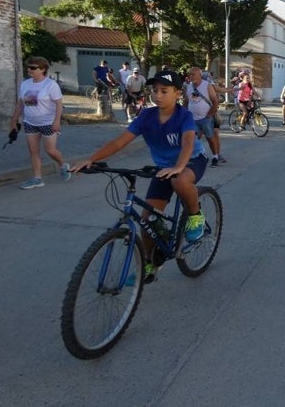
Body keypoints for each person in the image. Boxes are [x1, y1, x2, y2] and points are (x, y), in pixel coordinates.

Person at [71, 70, 208, 283]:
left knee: (180, 180)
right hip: (163, 168)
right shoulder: (146, 116)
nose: (158, 95)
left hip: (191, 161)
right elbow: (119, 141)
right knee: (146, 219)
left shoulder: (184, 116)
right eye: (155, 90)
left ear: (178, 93)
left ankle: (195, 216)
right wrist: (91, 159)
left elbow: (188, 143)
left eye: (164, 91)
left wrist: (180, 166)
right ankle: (149, 262)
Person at [9, 56, 72, 189]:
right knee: (33, 151)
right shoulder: (25, 83)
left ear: (43, 69)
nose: (29, 70)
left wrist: (57, 121)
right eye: (28, 67)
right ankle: (37, 178)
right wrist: (14, 120)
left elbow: (59, 104)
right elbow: (20, 103)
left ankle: (62, 165)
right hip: (30, 122)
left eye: (33, 68)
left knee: (50, 150)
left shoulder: (50, 85)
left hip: (48, 123)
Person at [183, 67, 220, 166]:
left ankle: (215, 156)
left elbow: (215, 101)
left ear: (199, 75)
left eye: (193, 74)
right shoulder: (188, 86)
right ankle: (195, 157)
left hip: (205, 118)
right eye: (190, 74)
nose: (191, 76)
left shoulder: (207, 85)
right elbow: (186, 101)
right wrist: (183, 114)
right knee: (192, 139)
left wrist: (210, 114)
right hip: (192, 119)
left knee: (210, 138)